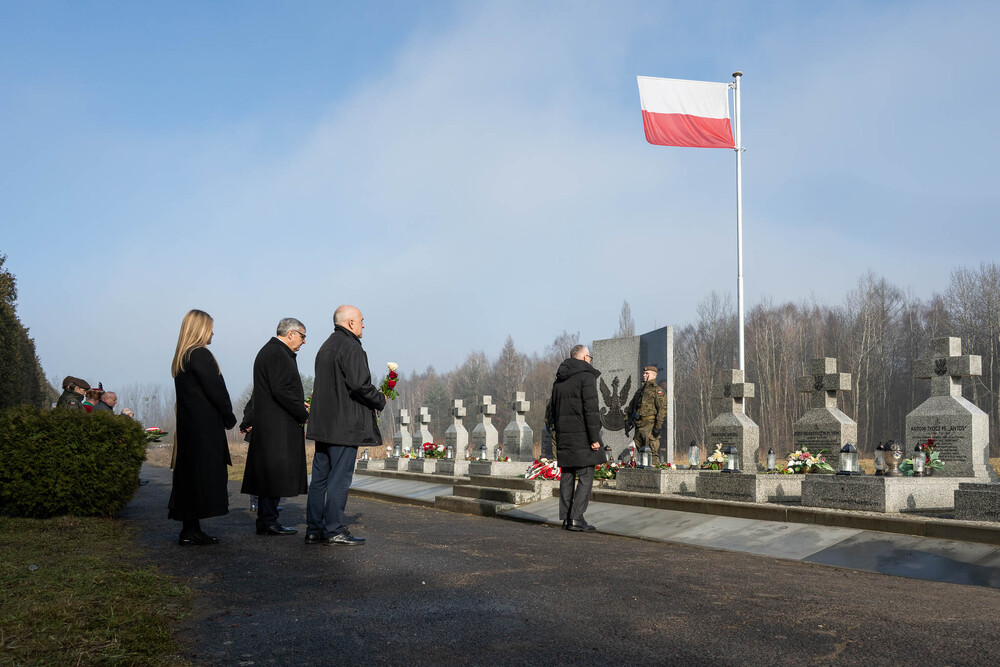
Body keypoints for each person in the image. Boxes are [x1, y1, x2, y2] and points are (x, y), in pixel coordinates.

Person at [305, 305, 386, 546]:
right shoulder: (351, 346)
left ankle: (314, 528)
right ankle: (334, 529)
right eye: (361, 320)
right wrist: (380, 398)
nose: (363, 325)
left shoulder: (326, 346)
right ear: (350, 323)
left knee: (320, 479)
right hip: (344, 426)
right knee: (339, 479)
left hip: (324, 425)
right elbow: (359, 385)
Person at [168, 309, 237, 546]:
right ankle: (191, 530)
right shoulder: (200, 355)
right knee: (202, 477)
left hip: (190, 429)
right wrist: (229, 417)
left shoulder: (183, 357)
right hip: (205, 431)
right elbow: (216, 390)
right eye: (210, 328)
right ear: (200, 329)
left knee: (191, 477)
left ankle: (191, 529)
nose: (213, 333)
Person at [240, 318, 310, 536]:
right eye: (302, 336)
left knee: (271, 475)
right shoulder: (277, 353)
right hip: (277, 427)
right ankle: (268, 521)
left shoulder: (271, 351)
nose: (304, 342)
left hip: (272, 424)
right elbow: (280, 390)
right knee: (273, 475)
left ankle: (268, 519)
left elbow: (265, 391)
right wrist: (302, 412)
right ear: (291, 334)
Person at [549, 344, 603, 532]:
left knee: (567, 475)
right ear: (583, 357)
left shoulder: (559, 381)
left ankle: (566, 518)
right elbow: (591, 409)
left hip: (564, 436)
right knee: (586, 476)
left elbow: (552, 411)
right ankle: (576, 518)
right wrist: (594, 438)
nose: (590, 360)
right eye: (589, 357)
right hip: (582, 436)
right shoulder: (586, 377)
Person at [627, 365, 668, 464]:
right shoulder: (640, 391)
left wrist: (658, 427)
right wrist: (627, 420)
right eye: (644, 373)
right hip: (639, 426)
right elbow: (631, 407)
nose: (644, 375)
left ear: (654, 375)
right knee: (641, 455)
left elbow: (662, 410)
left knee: (652, 455)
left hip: (650, 426)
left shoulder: (658, 390)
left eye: (647, 373)